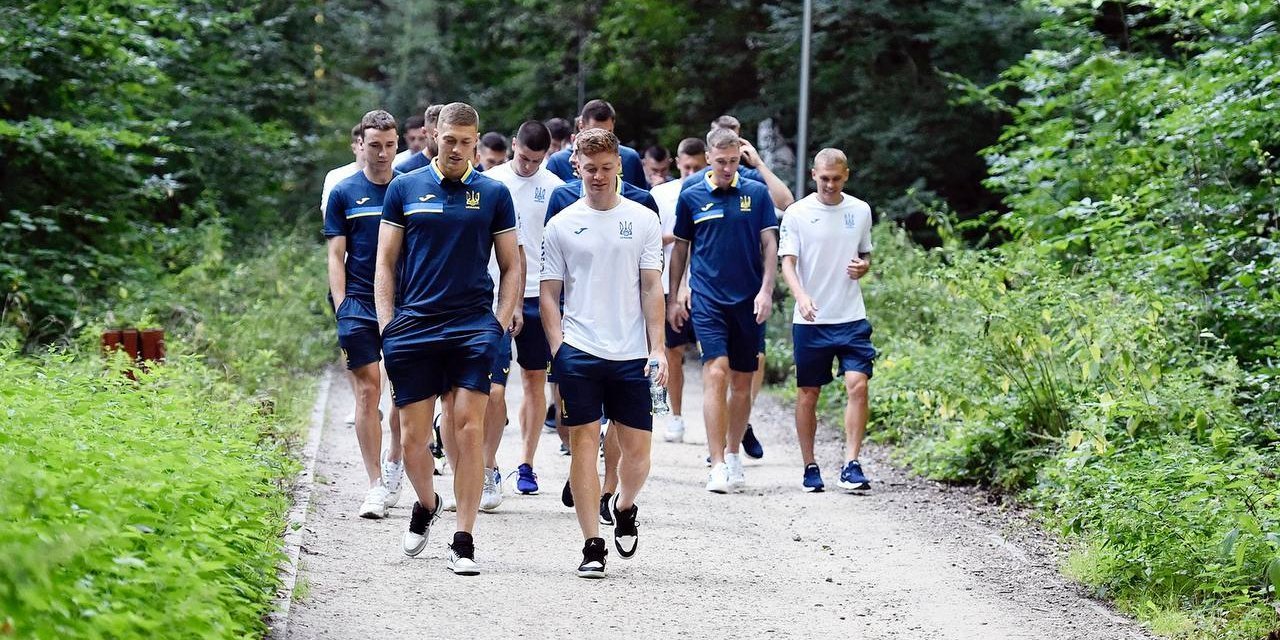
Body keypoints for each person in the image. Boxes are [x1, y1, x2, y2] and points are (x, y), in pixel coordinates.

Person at [375, 102, 522, 575]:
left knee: (468, 428)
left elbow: (512, 265)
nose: (457, 149)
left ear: (476, 141)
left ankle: (464, 539)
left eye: (466, 141)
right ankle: (426, 502)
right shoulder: (404, 187)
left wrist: (498, 322)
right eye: (450, 139)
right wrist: (387, 326)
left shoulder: (494, 193)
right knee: (413, 439)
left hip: (472, 326)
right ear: (433, 136)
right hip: (414, 326)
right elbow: (385, 262)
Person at [540, 128, 666, 578]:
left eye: (606, 168)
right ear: (577, 166)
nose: (597, 176)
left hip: (631, 352)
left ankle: (625, 505)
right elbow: (549, 292)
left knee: (638, 452)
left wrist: (658, 348)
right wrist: (559, 348)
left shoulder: (643, 219)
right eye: (590, 168)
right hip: (580, 349)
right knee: (583, 444)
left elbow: (652, 287)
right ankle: (592, 544)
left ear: (619, 167)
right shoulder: (561, 224)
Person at [668, 127, 778, 494]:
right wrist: (675, 296)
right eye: (721, 162)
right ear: (709, 158)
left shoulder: (756, 193)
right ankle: (716, 464)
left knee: (742, 382)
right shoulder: (692, 194)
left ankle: (733, 454)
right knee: (716, 372)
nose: (728, 168)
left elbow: (769, 244)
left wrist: (766, 291)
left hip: (748, 299)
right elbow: (681, 248)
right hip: (708, 298)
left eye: (733, 161)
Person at [323, 110, 406, 519]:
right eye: (375, 145)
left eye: (389, 145)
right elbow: (335, 254)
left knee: (404, 393)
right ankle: (374, 485)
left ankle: (395, 459)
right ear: (362, 144)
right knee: (368, 391)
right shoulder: (344, 192)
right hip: (357, 301)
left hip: (405, 302)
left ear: (397, 144)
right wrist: (341, 305)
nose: (382, 153)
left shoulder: (409, 189)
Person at [779, 148, 875, 493]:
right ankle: (810, 465)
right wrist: (801, 296)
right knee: (809, 393)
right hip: (812, 319)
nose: (830, 185)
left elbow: (865, 254)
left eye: (836, 178)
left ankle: (851, 464)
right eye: (824, 179)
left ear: (846, 175)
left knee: (858, 385)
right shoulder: (797, 213)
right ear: (813, 176)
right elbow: (787, 262)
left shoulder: (860, 210)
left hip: (851, 316)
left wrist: (864, 266)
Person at [482, 121, 565, 497]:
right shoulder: (491, 182)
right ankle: (489, 465)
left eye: (536, 160)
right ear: (513, 145)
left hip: (538, 295)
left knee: (534, 381)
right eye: (523, 157)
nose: (528, 166)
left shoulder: (556, 189)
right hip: (495, 295)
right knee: (493, 388)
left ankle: (527, 463)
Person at [649, 138, 705, 443]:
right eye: (687, 168)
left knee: (714, 358)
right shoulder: (661, 195)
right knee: (672, 352)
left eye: (697, 168)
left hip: (703, 286)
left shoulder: (711, 191)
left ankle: (720, 421)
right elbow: (650, 237)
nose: (691, 173)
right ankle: (676, 416)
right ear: (677, 163)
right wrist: (681, 234)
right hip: (667, 283)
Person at [544, 100, 648, 188]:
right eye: (594, 132)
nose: (601, 139)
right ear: (581, 126)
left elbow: (641, 198)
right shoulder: (558, 161)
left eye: (608, 133)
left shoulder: (630, 158)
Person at [321, 123, 365, 220]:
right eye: (362, 144)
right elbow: (329, 216)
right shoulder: (337, 176)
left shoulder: (393, 177)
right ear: (354, 148)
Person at [394, 104, 443, 173]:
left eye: (448, 140)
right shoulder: (403, 169)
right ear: (424, 132)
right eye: (434, 137)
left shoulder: (456, 166)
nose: (439, 143)